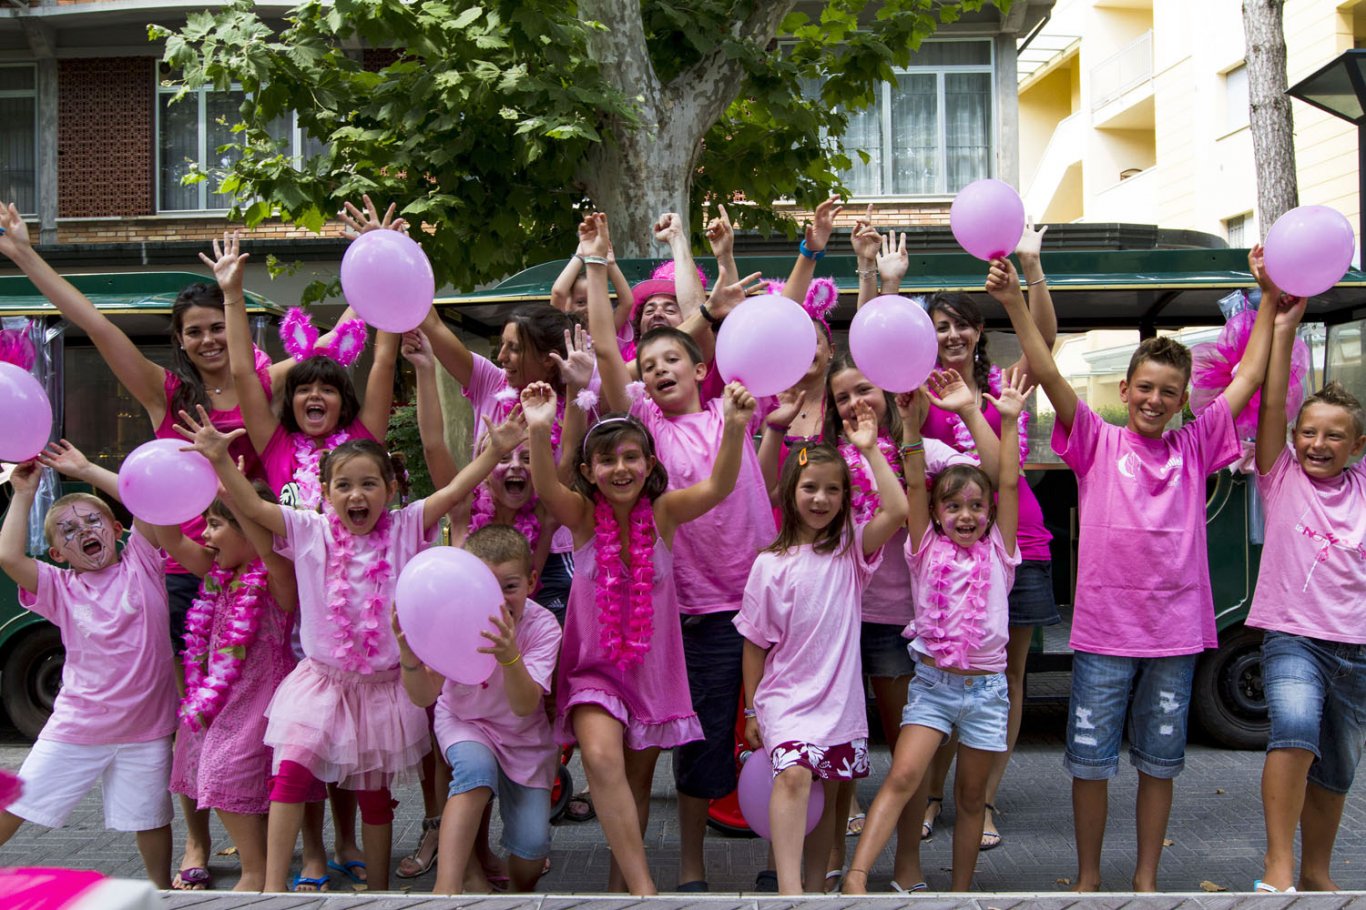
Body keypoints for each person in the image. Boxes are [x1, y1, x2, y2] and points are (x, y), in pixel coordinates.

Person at [993, 249, 1279, 891]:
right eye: (1144, 388)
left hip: (1174, 637)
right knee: (1089, 763)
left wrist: (1264, 299)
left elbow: (1250, 375)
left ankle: (1146, 880)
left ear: (1183, 400)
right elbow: (1048, 370)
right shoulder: (1097, 440)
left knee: (1160, 762)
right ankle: (1088, 878)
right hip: (1104, 636)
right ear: (1124, 391)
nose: (1154, 400)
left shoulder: (1196, 445)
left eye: (1168, 392)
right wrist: (1013, 301)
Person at [176, 402, 528, 892]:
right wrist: (218, 459)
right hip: (322, 683)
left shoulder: (406, 526)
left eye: (368, 484)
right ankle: (272, 889)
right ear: (325, 494)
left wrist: (495, 453)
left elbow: (452, 492)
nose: (356, 495)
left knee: (374, 798)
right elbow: (254, 509)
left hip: (383, 691)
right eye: (343, 485)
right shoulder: (309, 530)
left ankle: (378, 892)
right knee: (289, 776)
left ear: (390, 489)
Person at [579, 211, 777, 891]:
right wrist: (598, 263)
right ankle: (653, 872)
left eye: (672, 360)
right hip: (685, 611)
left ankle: (737, 865)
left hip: (751, 603)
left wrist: (710, 255)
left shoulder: (733, 411)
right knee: (673, 744)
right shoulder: (646, 429)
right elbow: (607, 351)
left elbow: (729, 322)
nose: (659, 369)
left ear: (701, 367)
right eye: (649, 365)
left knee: (744, 736)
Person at [521, 377, 756, 896]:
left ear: (650, 464)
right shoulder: (584, 518)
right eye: (607, 460)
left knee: (636, 785)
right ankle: (647, 891)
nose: (620, 468)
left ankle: (620, 894)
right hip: (593, 674)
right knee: (602, 760)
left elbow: (719, 487)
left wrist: (736, 427)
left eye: (631, 457)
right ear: (589, 471)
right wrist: (539, 429)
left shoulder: (664, 515)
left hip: (651, 677)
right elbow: (546, 489)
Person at [892, 220, 1057, 852]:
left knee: (1006, 680)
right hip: (947, 556)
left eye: (962, 324)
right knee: (940, 677)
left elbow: (1044, 340)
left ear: (979, 331)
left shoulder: (1003, 388)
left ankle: (981, 799)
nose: (953, 335)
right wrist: (888, 284)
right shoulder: (915, 392)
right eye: (941, 326)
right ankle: (933, 793)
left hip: (1018, 547)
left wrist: (1031, 269)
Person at [844, 368, 1030, 894]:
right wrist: (907, 425)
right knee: (903, 777)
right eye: (952, 506)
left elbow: (1008, 482)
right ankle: (856, 878)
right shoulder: (923, 548)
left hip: (987, 692)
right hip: (932, 686)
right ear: (937, 512)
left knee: (970, 798)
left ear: (990, 512)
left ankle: (960, 893)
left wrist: (1009, 421)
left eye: (976, 506)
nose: (965, 516)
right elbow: (913, 485)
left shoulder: (1001, 551)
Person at [810, 357, 992, 891]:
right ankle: (832, 852)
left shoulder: (924, 452)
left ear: (888, 392)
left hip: (901, 623)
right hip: (840, 618)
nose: (854, 403)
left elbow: (988, 475)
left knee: (908, 751)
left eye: (863, 389)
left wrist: (968, 412)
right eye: (842, 397)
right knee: (838, 748)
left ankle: (908, 860)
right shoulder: (830, 461)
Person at [736, 397, 909, 896]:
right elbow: (754, 644)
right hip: (785, 699)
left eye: (833, 489)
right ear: (791, 491)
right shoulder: (769, 565)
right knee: (793, 777)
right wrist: (751, 710)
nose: (821, 498)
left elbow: (898, 510)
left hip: (838, 704)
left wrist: (870, 450)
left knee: (826, 799)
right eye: (810, 487)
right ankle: (790, 893)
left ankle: (815, 890)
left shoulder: (851, 548)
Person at [0, 448, 178, 889]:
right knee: (19, 800)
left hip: (146, 729)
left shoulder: (142, 562)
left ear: (117, 530)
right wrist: (23, 493)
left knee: (150, 816)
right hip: (78, 727)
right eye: (69, 531)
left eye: (94, 522)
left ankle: (160, 892)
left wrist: (86, 471)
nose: (83, 531)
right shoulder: (59, 587)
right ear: (57, 554)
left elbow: (149, 502)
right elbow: (9, 557)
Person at [1248, 290, 1365, 893]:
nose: (1319, 444)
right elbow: (1272, 403)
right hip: (1294, 637)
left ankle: (1318, 873)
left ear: (1357, 446)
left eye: (1335, 436)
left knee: (1338, 765)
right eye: (1309, 432)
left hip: (1358, 648)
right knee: (1293, 731)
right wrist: (1284, 326)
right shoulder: (1282, 476)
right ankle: (1279, 866)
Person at [395, 524, 563, 895]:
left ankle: (517, 896)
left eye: (510, 586)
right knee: (475, 772)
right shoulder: (453, 617)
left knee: (532, 849)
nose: (498, 599)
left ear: (532, 582)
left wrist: (510, 656)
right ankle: (445, 890)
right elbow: (424, 696)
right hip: (465, 721)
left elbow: (525, 706)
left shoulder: (544, 627)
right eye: (486, 585)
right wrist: (409, 658)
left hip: (525, 738)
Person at [154, 473, 299, 893]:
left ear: (247, 529)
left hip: (261, 696)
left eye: (215, 524)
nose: (204, 534)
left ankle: (255, 873)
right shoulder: (218, 572)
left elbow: (266, 546)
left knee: (226, 772)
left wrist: (236, 498)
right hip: (220, 697)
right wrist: (165, 489)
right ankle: (262, 867)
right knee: (208, 766)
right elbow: (171, 539)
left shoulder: (278, 576)